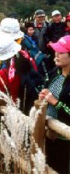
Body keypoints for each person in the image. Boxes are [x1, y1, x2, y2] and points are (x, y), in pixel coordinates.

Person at [39, 35, 70, 173]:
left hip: (66, 138)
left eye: (61, 52)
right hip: (50, 133)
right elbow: (47, 91)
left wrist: (55, 102)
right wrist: (43, 95)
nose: (56, 55)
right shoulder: (55, 72)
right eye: (56, 51)